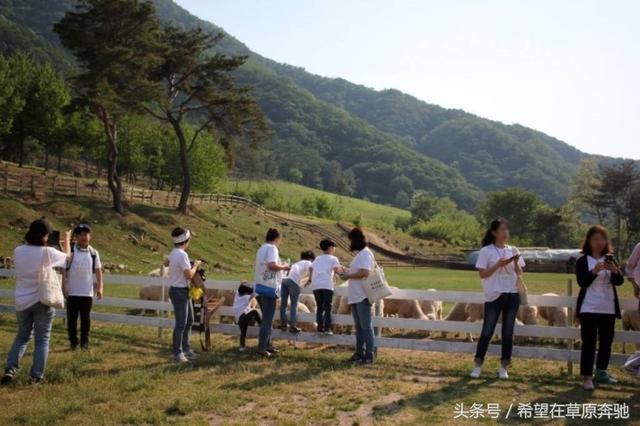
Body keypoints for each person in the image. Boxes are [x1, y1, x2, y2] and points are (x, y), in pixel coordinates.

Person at [1, 219, 71, 385]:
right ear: (45, 236)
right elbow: (67, 258)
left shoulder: (18, 250)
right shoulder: (47, 253)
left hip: (22, 300)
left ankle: (10, 369)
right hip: (42, 300)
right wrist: (67, 241)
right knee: (42, 339)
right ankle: (36, 376)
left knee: (22, 336)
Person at [470, 218, 524, 380]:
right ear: (494, 232)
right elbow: (482, 274)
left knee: (508, 332)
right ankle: (478, 365)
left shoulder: (513, 249)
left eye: (506, 229)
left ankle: (504, 367)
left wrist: (514, 262)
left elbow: (520, 273)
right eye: (502, 229)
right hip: (494, 295)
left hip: (512, 294)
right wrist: (497, 265)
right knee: (487, 331)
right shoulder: (486, 251)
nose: (505, 233)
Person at [575, 225, 624, 390]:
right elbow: (582, 282)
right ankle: (587, 377)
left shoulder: (610, 259)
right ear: (589, 240)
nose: (599, 242)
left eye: (602, 239)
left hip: (608, 307)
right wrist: (594, 271)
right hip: (589, 307)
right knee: (589, 342)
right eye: (595, 239)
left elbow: (619, 282)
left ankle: (601, 372)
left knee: (606, 342)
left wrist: (615, 271)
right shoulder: (582, 261)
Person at [165, 227, 203, 363]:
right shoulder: (182, 255)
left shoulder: (174, 253)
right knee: (181, 324)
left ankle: (185, 349)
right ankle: (178, 353)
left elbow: (167, 262)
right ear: (186, 240)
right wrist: (195, 266)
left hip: (179, 291)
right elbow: (188, 275)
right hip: (179, 291)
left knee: (189, 320)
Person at [63, 224, 103, 351]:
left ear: (90, 237)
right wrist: (64, 286)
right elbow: (64, 269)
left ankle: (84, 344)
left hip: (87, 292)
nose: (83, 237)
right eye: (80, 235)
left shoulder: (93, 253)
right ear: (76, 237)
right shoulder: (71, 251)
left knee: (86, 320)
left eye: (85, 234)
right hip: (72, 292)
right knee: (72, 319)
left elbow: (98, 271)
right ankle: (73, 343)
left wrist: (100, 287)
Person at [340, 228, 376, 365]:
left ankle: (369, 355)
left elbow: (365, 272)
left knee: (365, 326)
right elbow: (359, 271)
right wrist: (348, 271)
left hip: (362, 296)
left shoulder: (365, 254)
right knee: (359, 327)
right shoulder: (361, 254)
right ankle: (359, 353)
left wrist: (348, 275)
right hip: (356, 295)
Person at [253, 228, 290, 357]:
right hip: (269, 287)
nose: (280, 242)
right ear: (276, 239)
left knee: (266, 318)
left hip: (259, 286)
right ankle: (262, 347)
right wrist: (284, 267)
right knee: (267, 320)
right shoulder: (272, 248)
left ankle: (267, 344)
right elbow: (272, 265)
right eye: (280, 240)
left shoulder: (261, 248)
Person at [310, 240, 342, 334]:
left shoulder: (317, 258)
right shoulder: (333, 258)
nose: (334, 249)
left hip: (316, 285)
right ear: (330, 248)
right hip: (326, 285)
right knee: (328, 307)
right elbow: (337, 270)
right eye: (334, 247)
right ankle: (327, 328)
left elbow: (311, 268)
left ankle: (320, 328)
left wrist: (311, 279)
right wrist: (343, 271)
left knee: (320, 307)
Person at [279, 250, 315, 333]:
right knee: (294, 305)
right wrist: (310, 280)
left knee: (283, 304)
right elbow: (311, 268)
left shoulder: (296, 263)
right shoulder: (308, 262)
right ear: (310, 259)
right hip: (293, 282)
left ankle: (283, 325)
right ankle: (292, 326)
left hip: (284, 281)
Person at [233, 281, 261, 351]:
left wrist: (243, 283)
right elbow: (254, 293)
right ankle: (261, 324)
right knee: (254, 311)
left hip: (239, 319)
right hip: (243, 316)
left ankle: (242, 347)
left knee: (243, 333)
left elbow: (241, 286)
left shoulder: (237, 294)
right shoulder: (247, 297)